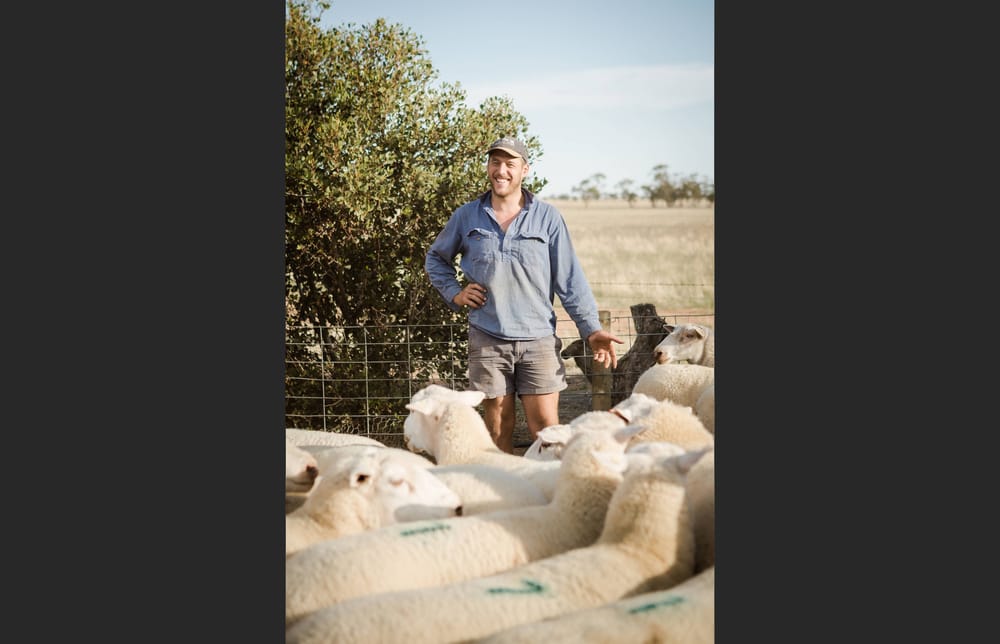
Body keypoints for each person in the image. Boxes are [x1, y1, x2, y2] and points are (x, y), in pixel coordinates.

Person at [424, 136, 623, 453]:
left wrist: (591, 330)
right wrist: (455, 293)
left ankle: (553, 496)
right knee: (497, 432)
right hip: (488, 339)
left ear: (524, 170)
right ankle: (502, 499)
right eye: (495, 162)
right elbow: (436, 258)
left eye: (510, 164)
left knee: (547, 432)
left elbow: (569, 280)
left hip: (538, 342)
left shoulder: (547, 218)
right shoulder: (467, 217)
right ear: (488, 167)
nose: (501, 170)